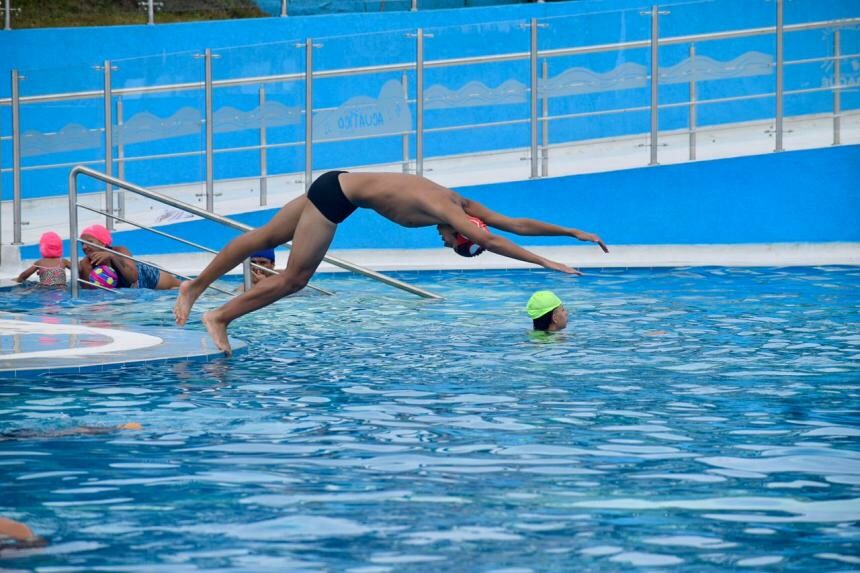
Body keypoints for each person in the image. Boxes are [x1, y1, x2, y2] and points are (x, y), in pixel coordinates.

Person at [175, 171, 608, 354]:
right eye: (455, 245)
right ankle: (220, 316)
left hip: (337, 183)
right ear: (463, 233)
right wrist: (549, 264)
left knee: (264, 238)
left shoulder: (460, 203)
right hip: (337, 197)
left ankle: (194, 286)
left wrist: (571, 232)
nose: (446, 244)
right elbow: (495, 240)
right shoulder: (453, 213)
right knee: (295, 279)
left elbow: (516, 223)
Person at [78, 224, 181, 290]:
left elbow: (133, 278)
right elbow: (88, 292)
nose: (84, 247)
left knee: (180, 286)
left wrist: (112, 257)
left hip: (144, 274)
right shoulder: (85, 264)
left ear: (102, 243)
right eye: (82, 243)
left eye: (89, 242)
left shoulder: (120, 251)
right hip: (130, 289)